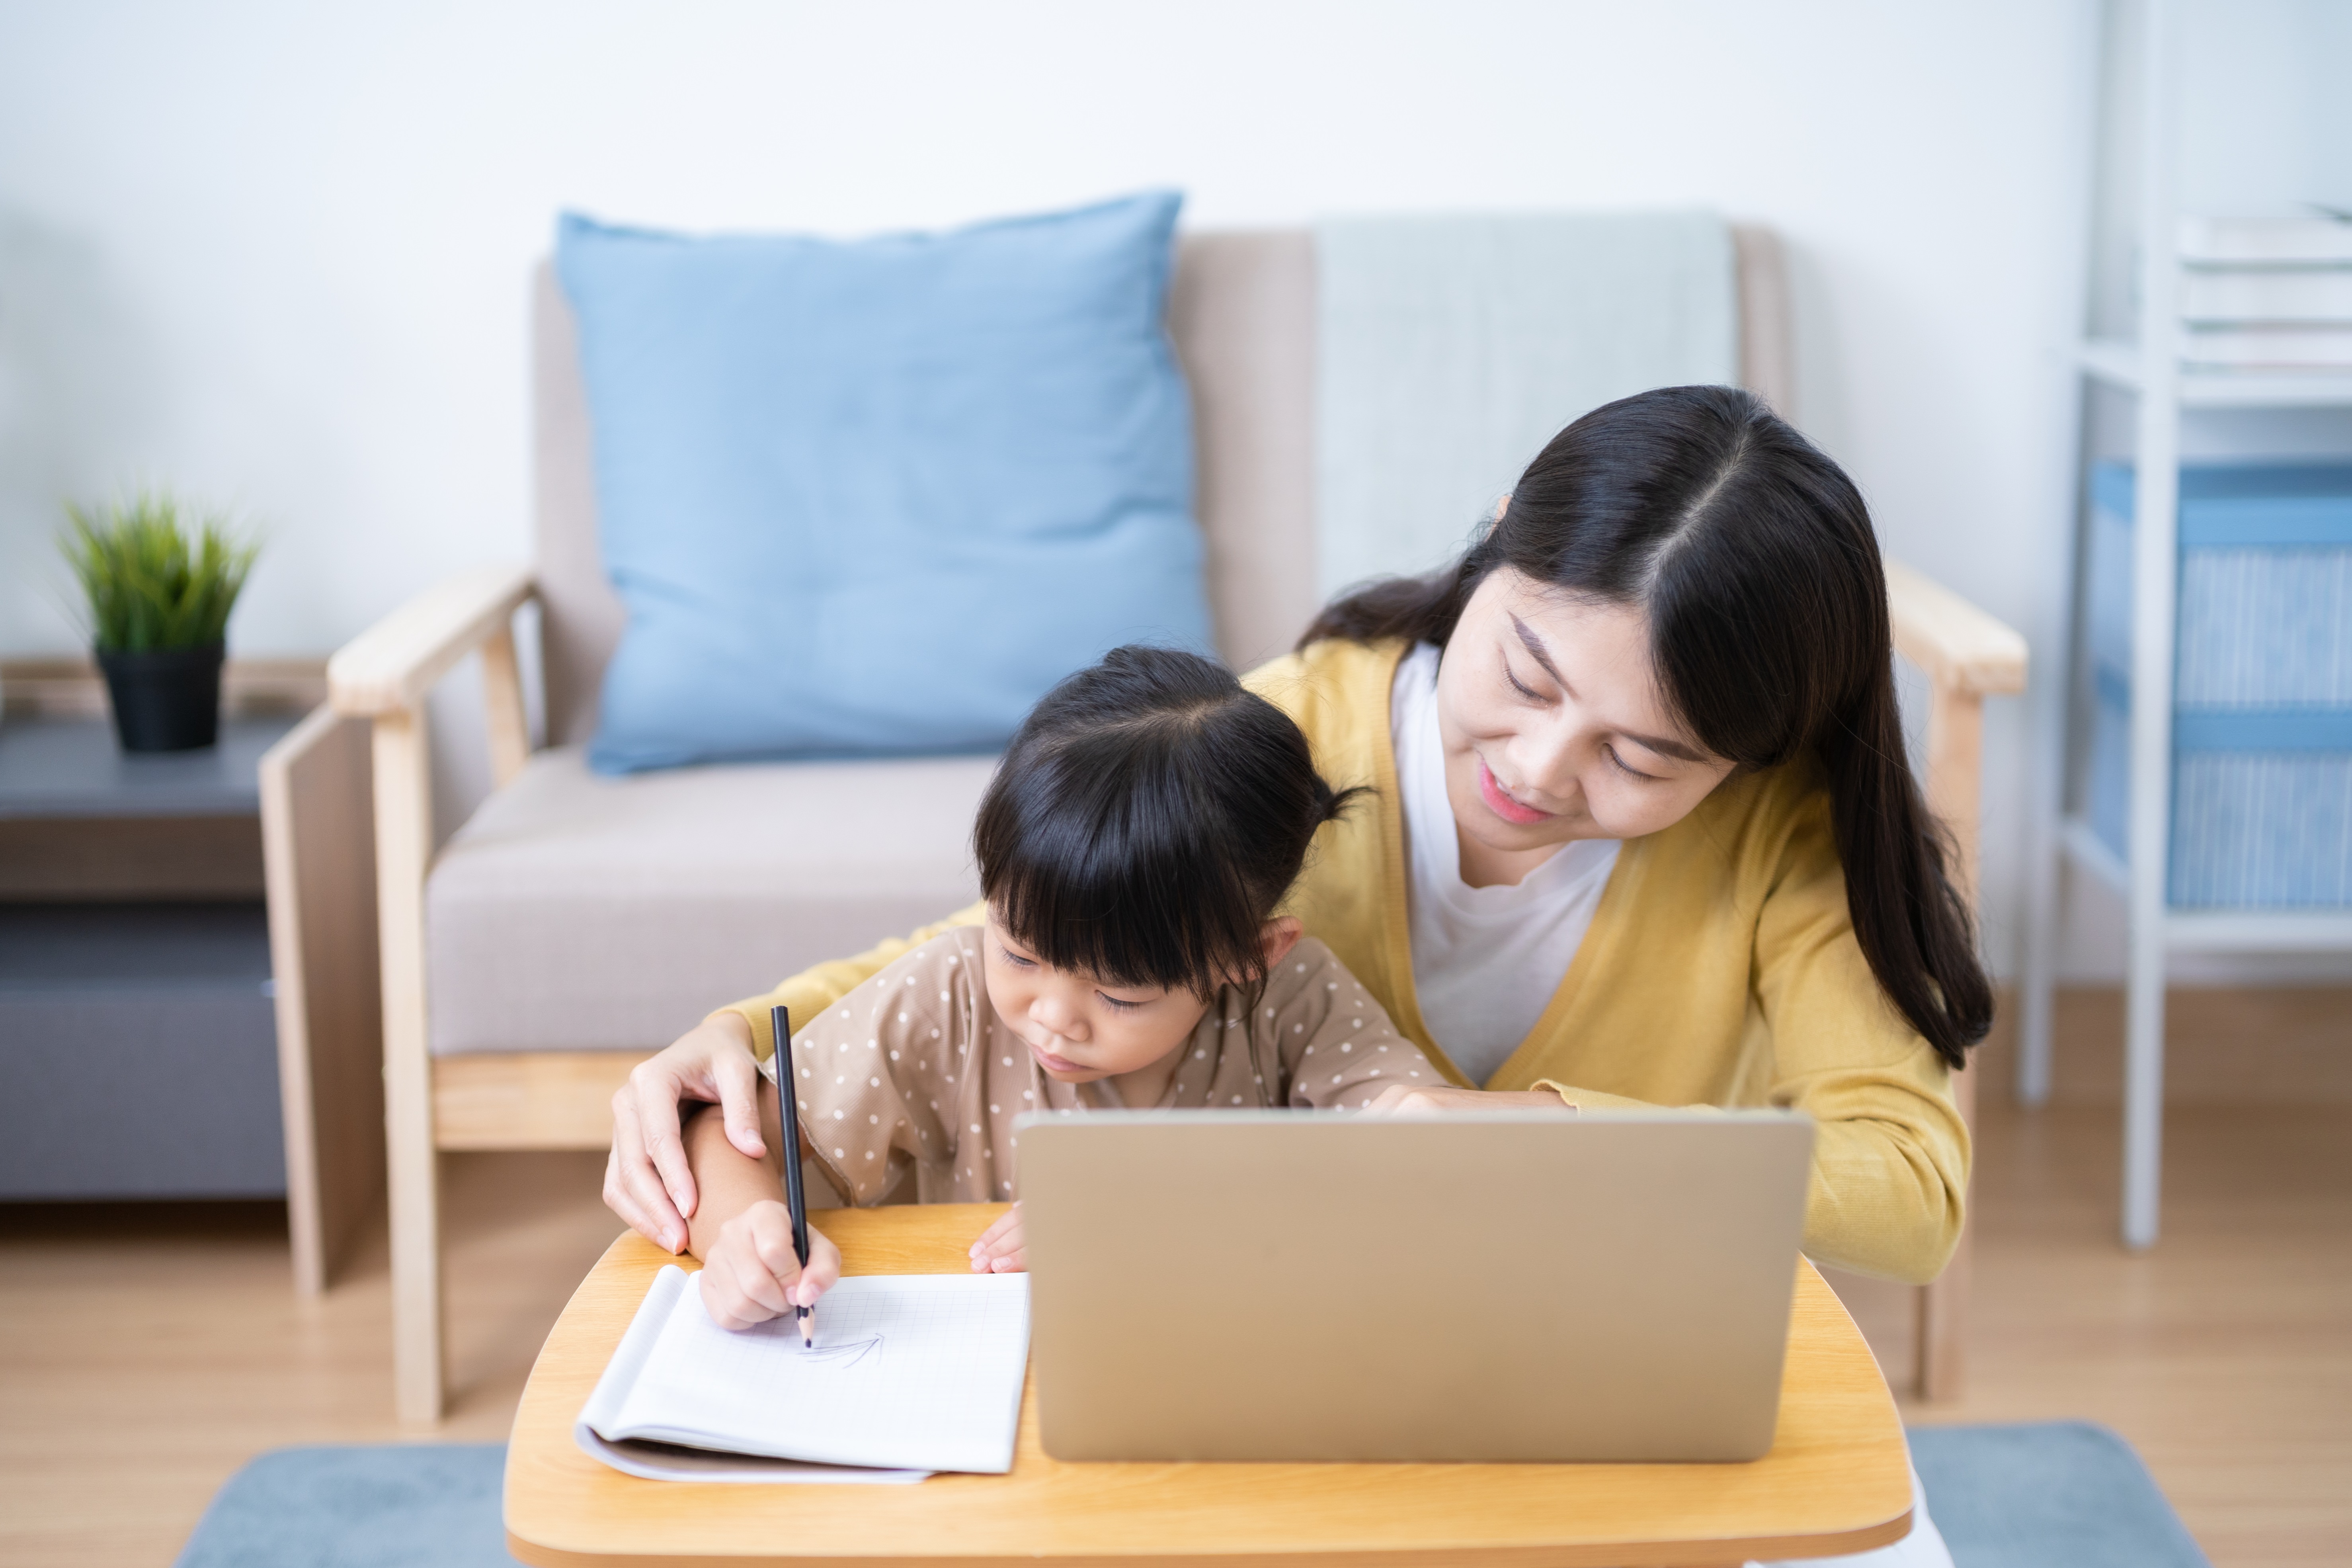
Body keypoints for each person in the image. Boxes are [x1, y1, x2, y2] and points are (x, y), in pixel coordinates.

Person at [608, 383, 1987, 1293]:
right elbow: (1020, 943)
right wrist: (740, 1032)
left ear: (1745, 756)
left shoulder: (1776, 830)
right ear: (1497, 542)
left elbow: (1911, 1192)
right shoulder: (1290, 744)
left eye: (1644, 756)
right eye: (1525, 675)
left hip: (1574, 1337)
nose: (1538, 769)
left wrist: (1527, 1134)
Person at [676, 645, 1441, 1331]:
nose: (1050, 1021)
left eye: (1120, 998)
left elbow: (1430, 1157)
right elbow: (726, 1134)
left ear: (1250, 957)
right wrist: (745, 1232)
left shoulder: (1295, 1002)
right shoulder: (951, 994)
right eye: (1018, 954)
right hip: (968, 1379)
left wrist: (1179, 1213)